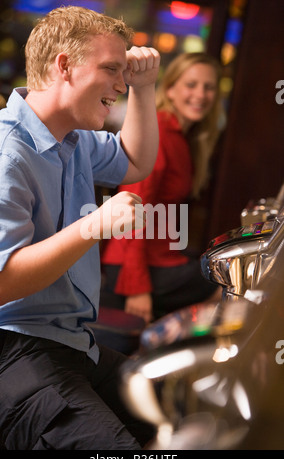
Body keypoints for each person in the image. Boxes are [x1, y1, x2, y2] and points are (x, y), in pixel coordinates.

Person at [0, 6, 161, 450]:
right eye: (111, 69)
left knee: (181, 407)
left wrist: (144, 88)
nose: (120, 84)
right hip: (9, 354)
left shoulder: (72, 139)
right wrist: (93, 225)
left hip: (73, 345)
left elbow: (136, 160)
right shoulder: (4, 152)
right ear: (64, 65)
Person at [101, 52, 224, 324]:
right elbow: (133, 210)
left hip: (159, 258)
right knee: (232, 289)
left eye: (209, 87)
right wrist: (137, 288)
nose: (200, 94)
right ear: (170, 88)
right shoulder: (158, 131)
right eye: (191, 85)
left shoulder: (184, 137)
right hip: (132, 266)